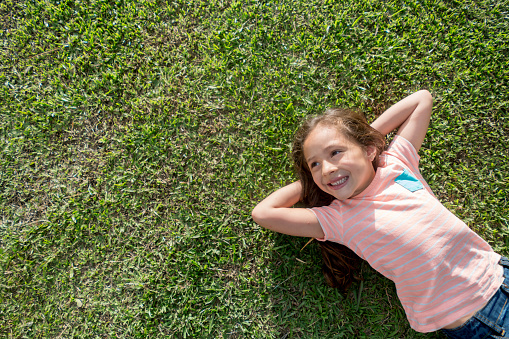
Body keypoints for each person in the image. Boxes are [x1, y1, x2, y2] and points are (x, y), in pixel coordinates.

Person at [251, 90, 509, 337]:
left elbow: (421, 100)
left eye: (335, 152)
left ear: (369, 150)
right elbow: (263, 213)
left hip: (500, 273)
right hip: (482, 318)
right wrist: (309, 182)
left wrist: (365, 140)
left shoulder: (398, 162)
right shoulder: (337, 218)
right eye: (315, 164)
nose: (327, 169)